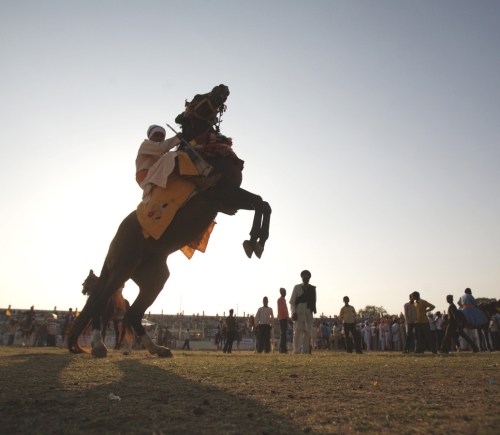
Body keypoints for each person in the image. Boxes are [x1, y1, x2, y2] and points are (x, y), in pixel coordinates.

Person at [135, 125, 219, 203]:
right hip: (146, 177)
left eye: (162, 136)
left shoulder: (161, 155)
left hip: (156, 174)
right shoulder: (145, 145)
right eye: (156, 135)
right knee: (172, 155)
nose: (159, 138)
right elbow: (161, 148)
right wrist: (176, 138)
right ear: (150, 137)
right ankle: (199, 180)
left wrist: (193, 142)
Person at [289, 270, 317, 354]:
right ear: (301, 278)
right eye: (304, 276)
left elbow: (314, 301)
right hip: (299, 312)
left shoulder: (312, 289)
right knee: (297, 332)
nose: (306, 278)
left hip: (308, 312)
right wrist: (293, 312)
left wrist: (312, 309)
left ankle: (306, 351)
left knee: (307, 332)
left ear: (309, 278)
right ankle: (296, 351)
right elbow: (292, 302)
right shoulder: (297, 287)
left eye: (307, 276)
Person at [277, 288, 290, 353]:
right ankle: (282, 348)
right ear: (281, 293)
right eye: (284, 292)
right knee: (283, 334)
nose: (285, 293)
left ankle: (282, 348)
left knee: (283, 334)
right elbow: (283, 310)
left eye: (285, 292)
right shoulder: (280, 300)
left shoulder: (283, 300)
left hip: (283, 318)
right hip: (282, 318)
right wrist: (288, 317)